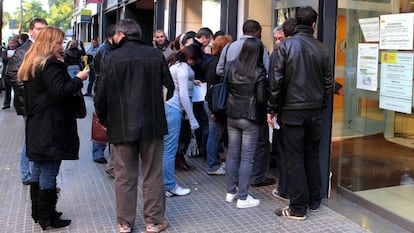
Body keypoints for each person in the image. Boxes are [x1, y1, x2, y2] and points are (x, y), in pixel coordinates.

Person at [94, 19, 174, 233]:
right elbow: (170, 87)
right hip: (152, 123)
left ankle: (125, 223)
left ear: (121, 35)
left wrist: (104, 119)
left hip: (121, 125)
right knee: (153, 173)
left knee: (124, 175)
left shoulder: (111, 58)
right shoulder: (155, 55)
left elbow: (100, 96)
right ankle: (154, 221)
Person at [18, 26, 89, 230]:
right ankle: (47, 217)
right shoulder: (49, 64)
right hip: (51, 125)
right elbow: (60, 91)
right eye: (59, 43)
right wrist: (78, 79)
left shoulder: (32, 63)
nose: (61, 46)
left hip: (37, 124)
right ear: (50, 43)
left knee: (38, 170)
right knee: (49, 170)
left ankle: (39, 213)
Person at [267, 6, 333, 220]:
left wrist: (272, 109)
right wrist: (321, 104)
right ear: (313, 25)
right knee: (311, 156)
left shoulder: (285, 45)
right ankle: (314, 201)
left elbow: (276, 82)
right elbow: (328, 84)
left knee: (294, 159)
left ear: (298, 23)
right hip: (313, 111)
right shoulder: (322, 48)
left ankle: (297, 208)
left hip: (291, 111)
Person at [216, 19, 274, 188]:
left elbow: (219, 71)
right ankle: (255, 179)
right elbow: (268, 74)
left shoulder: (228, 48)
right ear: (256, 31)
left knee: (233, 152)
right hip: (252, 108)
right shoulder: (259, 48)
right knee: (256, 146)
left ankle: (231, 189)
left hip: (232, 106)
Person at [4, 18, 48, 186]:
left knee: (34, 136)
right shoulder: (23, 50)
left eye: (44, 29)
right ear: (30, 31)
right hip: (29, 102)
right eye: (38, 29)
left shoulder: (43, 49)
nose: (41, 32)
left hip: (39, 102)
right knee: (31, 137)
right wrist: (33, 90)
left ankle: (31, 172)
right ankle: (27, 173)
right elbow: (12, 75)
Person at [224, 37, 267, 208]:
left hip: (232, 114)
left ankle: (230, 192)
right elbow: (262, 98)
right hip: (250, 117)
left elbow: (226, 87)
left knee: (232, 154)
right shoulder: (258, 71)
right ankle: (243, 197)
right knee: (247, 158)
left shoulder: (231, 66)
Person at [164, 44, 202, 197]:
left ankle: (165, 184)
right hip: (173, 109)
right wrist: (192, 119)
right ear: (192, 58)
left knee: (163, 150)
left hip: (164, 106)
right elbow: (184, 96)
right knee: (169, 151)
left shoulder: (172, 62)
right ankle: (169, 185)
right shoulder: (183, 68)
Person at [204, 34, 233, 175]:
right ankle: (212, 165)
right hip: (215, 105)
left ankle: (214, 162)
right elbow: (212, 88)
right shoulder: (216, 64)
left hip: (214, 105)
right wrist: (213, 109)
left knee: (216, 135)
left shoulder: (213, 62)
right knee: (215, 135)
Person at [93, 25, 116, 177]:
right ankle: (98, 152)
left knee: (102, 121)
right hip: (103, 89)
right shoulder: (105, 50)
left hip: (102, 88)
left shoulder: (106, 49)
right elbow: (103, 72)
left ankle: (99, 152)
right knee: (101, 122)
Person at [191, 27, 213, 160]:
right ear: (204, 37)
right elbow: (201, 65)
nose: (209, 43)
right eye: (209, 39)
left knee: (201, 120)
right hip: (199, 89)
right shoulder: (197, 49)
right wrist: (209, 57)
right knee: (204, 121)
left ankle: (201, 147)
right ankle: (203, 149)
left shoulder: (194, 48)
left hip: (196, 89)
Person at [1, 38, 17, 109]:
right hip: (6, 73)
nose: (12, 45)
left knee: (16, 90)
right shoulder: (5, 51)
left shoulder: (18, 51)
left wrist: (10, 57)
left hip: (16, 73)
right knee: (7, 89)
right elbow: (4, 59)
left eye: (13, 43)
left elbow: (18, 59)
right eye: (10, 43)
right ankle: (6, 104)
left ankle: (16, 104)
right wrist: (12, 58)